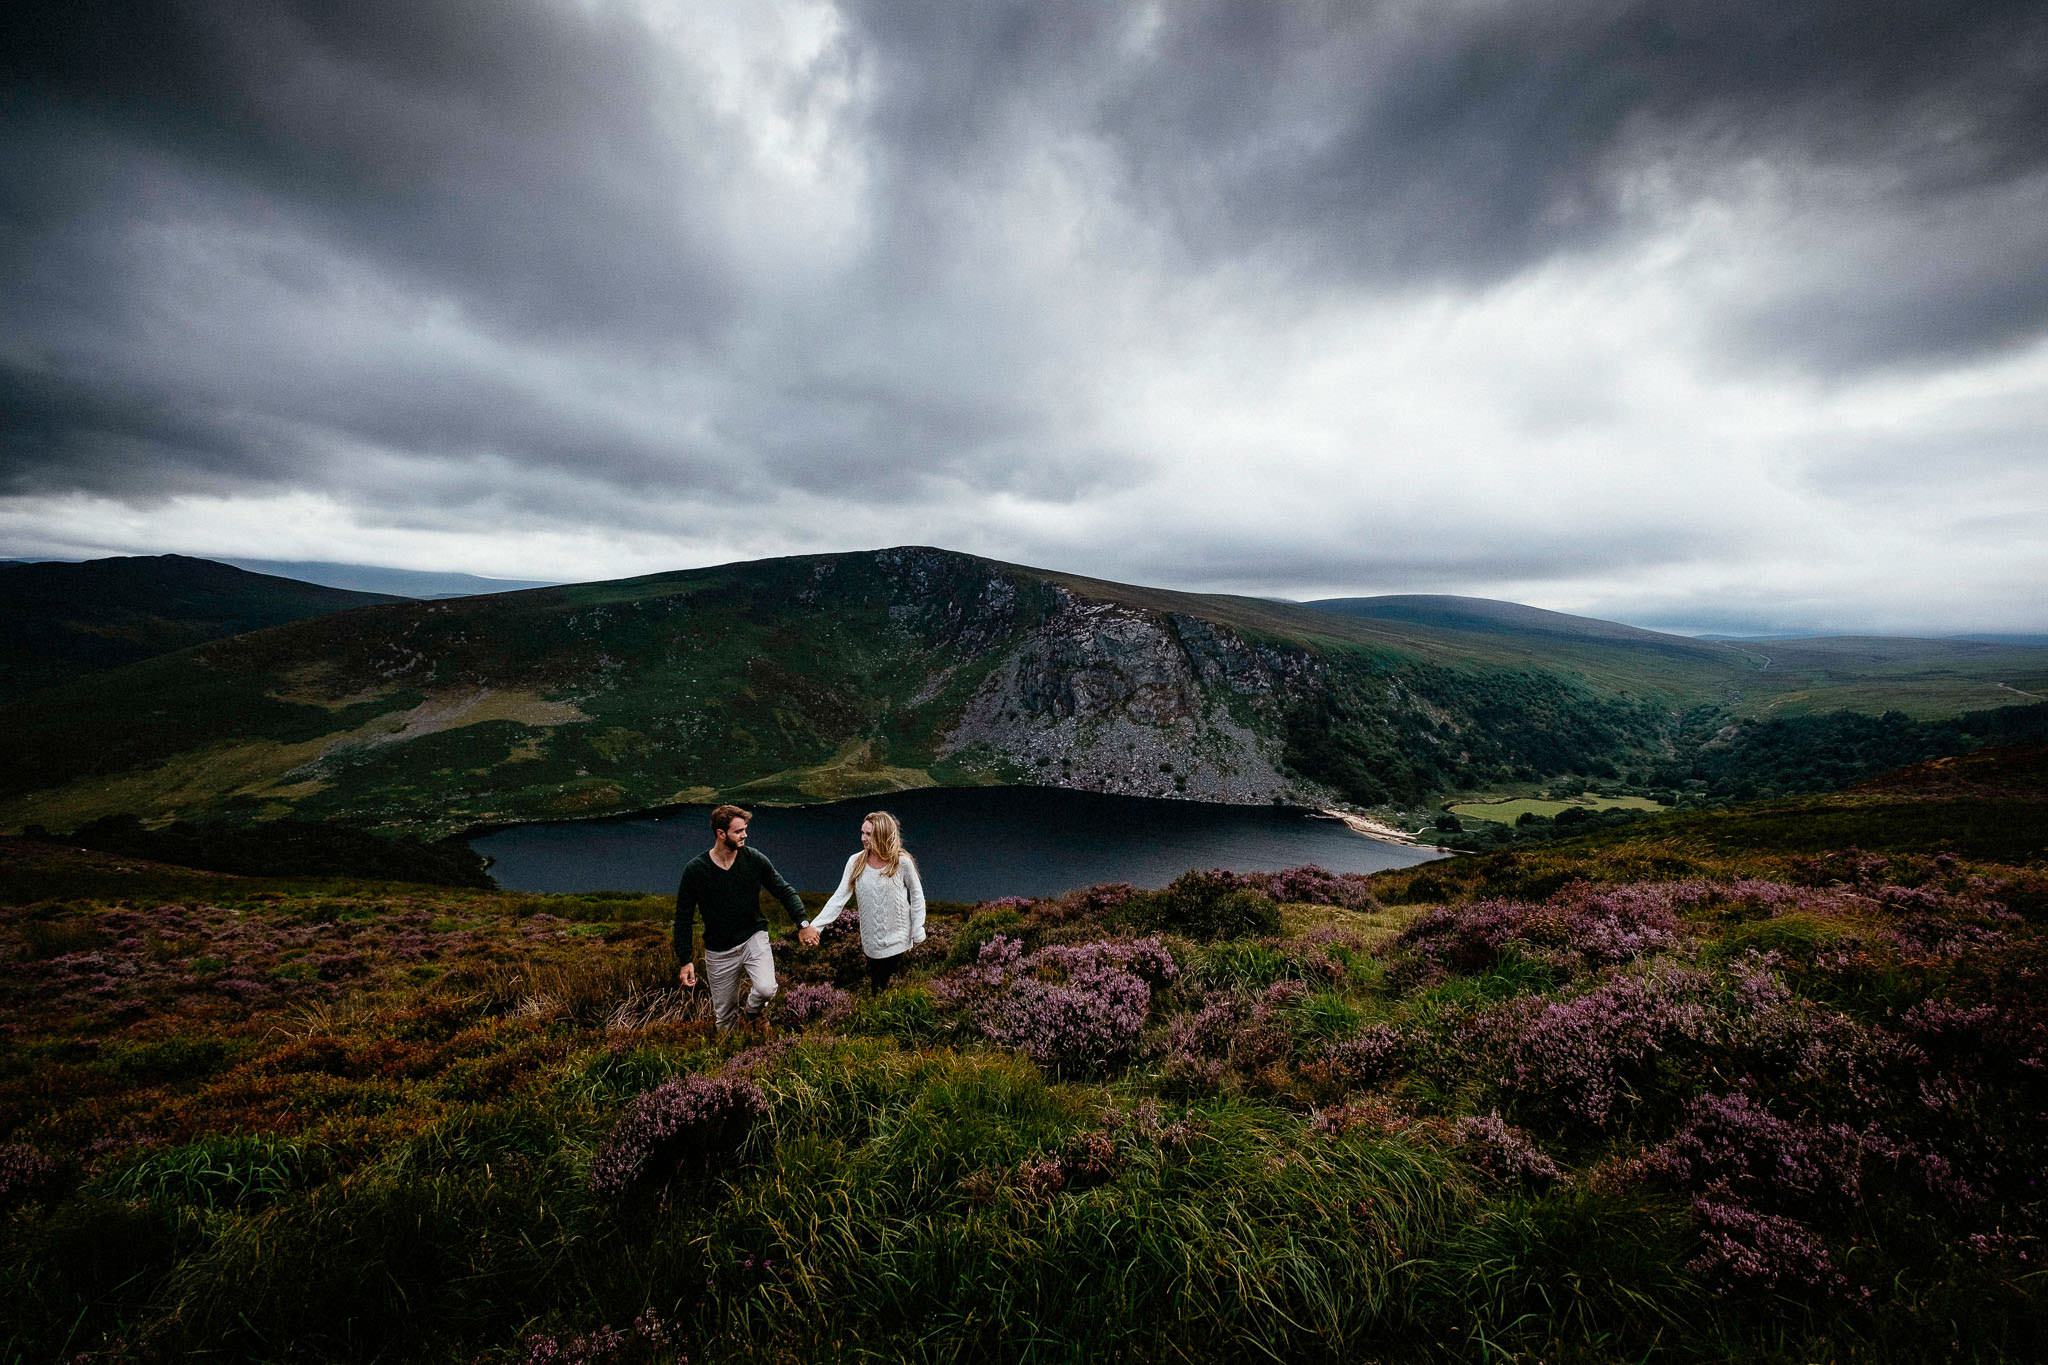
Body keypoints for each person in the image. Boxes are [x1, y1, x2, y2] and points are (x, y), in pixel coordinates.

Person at [674, 803, 804, 1030]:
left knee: (766, 988)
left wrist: (802, 922)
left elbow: (784, 890)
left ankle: (754, 1011)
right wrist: (685, 960)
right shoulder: (695, 870)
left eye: (745, 829)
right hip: (719, 951)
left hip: (753, 937)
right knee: (724, 1020)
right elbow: (683, 918)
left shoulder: (754, 859)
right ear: (720, 834)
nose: (745, 835)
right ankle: (732, 1058)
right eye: (738, 831)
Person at [798, 810, 925, 991]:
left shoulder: (901, 862)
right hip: (872, 944)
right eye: (862, 833)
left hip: (900, 942)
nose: (863, 838)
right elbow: (838, 899)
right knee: (877, 989)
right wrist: (816, 927)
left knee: (895, 991)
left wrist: (918, 929)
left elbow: (917, 895)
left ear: (882, 834)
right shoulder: (855, 862)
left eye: (869, 834)